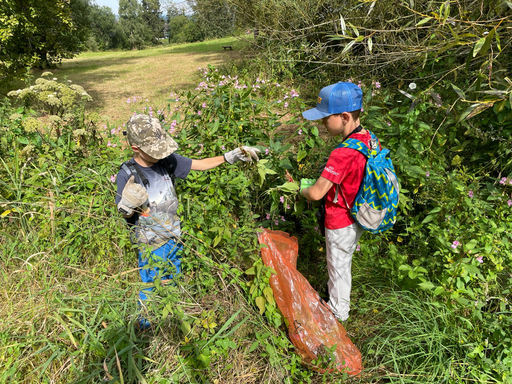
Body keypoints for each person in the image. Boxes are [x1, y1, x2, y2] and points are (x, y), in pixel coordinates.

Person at [115, 114, 260, 328]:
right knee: (150, 285)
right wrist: (127, 206)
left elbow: (198, 164)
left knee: (172, 279)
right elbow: (124, 214)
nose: (160, 153)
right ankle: (145, 328)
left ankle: (171, 320)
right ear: (136, 148)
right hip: (150, 244)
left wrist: (229, 157)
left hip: (173, 237)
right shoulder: (127, 174)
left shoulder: (165, 161)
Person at [300, 81, 379, 322]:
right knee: (343, 262)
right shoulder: (368, 138)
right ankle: (338, 302)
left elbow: (316, 194)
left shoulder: (342, 153)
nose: (322, 123)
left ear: (344, 116)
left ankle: (337, 313)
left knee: (338, 267)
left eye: (326, 117)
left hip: (340, 220)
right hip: (359, 213)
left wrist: (300, 189)